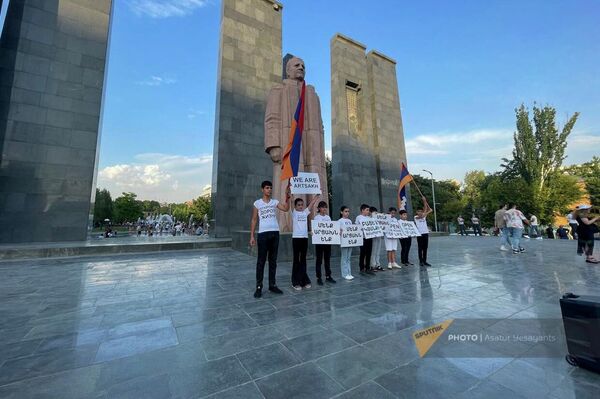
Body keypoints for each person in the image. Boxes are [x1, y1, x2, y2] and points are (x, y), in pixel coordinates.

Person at [264, 57, 328, 232]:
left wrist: (320, 146)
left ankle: (317, 222)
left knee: (314, 179)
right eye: (297, 65)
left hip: (312, 148)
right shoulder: (279, 90)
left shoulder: (312, 95)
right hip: (288, 143)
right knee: (289, 183)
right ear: (288, 71)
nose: (301, 68)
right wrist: (273, 145)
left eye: (303, 66)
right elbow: (271, 119)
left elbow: (321, 124)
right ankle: (288, 224)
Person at [249, 180, 290, 298]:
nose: (269, 190)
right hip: (262, 234)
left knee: (273, 261)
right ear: (262, 189)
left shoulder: (274, 202)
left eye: (270, 188)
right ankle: (258, 287)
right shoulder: (257, 203)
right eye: (267, 188)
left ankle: (272, 285)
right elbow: (254, 220)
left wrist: (288, 197)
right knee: (261, 262)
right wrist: (252, 236)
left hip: (274, 233)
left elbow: (286, 209)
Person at [290, 195, 320, 290]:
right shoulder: (294, 213)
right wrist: (290, 196)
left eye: (302, 205)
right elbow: (290, 202)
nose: (300, 206)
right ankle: (295, 282)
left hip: (304, 238)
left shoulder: (304, 212)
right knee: (296, 260)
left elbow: (311, 205)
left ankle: (304, 280)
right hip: (296, 238)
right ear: (295, 206)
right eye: (298, 205)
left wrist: (316, 196)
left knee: (303, 259)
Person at [314, 201, 336, 285]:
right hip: (319, 242)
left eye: (325, 207)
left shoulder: (328, 217)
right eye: (322, 207)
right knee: (319, 260)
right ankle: (319, 277)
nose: (324, 209)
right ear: (319, 208)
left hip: (327, 241)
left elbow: (331, 228)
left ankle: (328, 276)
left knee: (327, 259)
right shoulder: (317, 218)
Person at [356, 204, 375, 275]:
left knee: (369, 253)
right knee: (362, 253)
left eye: (368, 210)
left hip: (369, 237)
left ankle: (368, 268)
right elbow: (357, 227)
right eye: (367, 210)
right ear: (362, 210)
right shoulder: (359, 217)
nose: (368, 211)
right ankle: (361, 268)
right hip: (363, 238)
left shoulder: (369, 218)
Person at [415, 199, 433, 267]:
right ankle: (421, 261)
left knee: (425, 248)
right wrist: (429, 211)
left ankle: (425, 261)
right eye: (418, 211)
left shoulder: (424, 215)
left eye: (421, 211)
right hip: (419, 234)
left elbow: (425, 208)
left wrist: (424, 201)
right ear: (416, 212)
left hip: (425, 234)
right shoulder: (416, 217)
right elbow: (421, 216)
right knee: (420, 248)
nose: (420, 212)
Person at [338, 205, 354, 280]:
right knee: (344, 258)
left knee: (348, 258)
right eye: (345, 211)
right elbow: (337, 232)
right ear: (341, 212)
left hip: (349, 241)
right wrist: (340, 231)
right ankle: (344, 274)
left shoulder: (350, 221)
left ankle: (349, 272)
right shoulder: (340, 221)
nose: (347, 213)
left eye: (348, 211)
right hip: (343, 242)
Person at [370, 206, 384, 271]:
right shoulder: (369, 219)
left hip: (379, 236)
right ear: (371, 213)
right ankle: (373, 265)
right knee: (373, 251)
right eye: (374, 213)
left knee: (378, 251)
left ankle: (378, 264)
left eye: (376, 212)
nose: (376, 214)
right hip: (373, 236)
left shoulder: (378, 219)